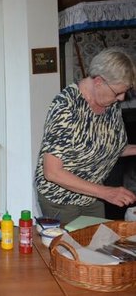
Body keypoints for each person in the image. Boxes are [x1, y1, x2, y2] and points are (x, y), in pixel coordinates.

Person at [34, 47, 136, 224]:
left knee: (97, 246)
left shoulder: (109, 104)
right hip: (61, 200)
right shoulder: (66, 107)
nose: (121, 98)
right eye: (118, 92)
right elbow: (52, 172)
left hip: (92, 195)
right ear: (98, 82)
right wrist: (107, 192)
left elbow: (112, 147)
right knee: (70, 249)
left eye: (124, 92)